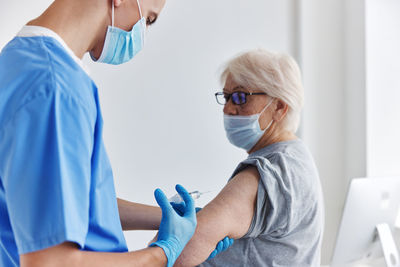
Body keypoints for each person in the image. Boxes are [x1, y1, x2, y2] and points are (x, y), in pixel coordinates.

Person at [0, 0, 227, 266]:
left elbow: (70, 204)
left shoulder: (18, 60)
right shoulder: (55, 88)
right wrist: (163, 253)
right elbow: (51, 262)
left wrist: (165, 218)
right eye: (149, 19)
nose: (142, 33)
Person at [170, 49, 325, 266]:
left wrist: (164, 237)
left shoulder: (269, 171)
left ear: (279, 107)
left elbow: (178, 253)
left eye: (240, 97)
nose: (228, 109)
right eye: (226, 97)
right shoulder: (297, 156)